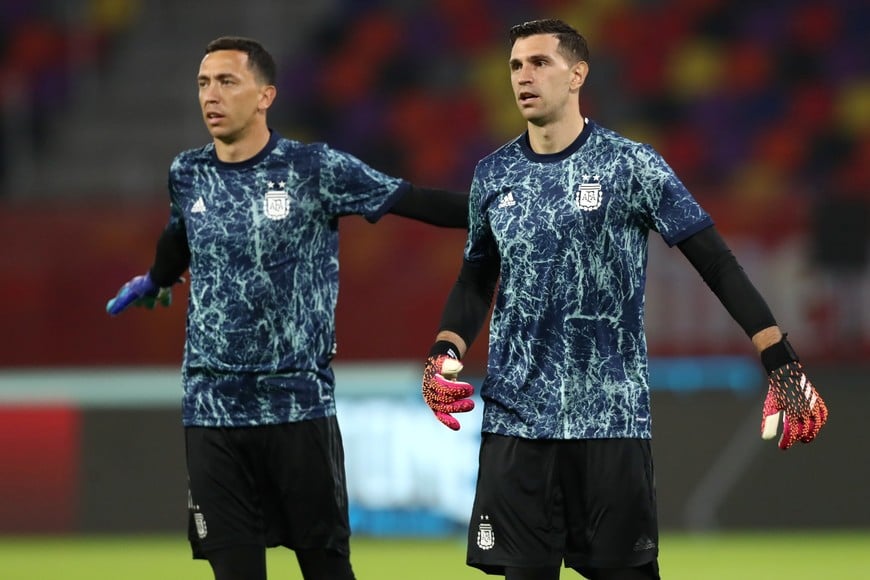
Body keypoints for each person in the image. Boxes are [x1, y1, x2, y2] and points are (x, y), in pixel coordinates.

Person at [420, 19, 828, 580]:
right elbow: (474, 279)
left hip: (609, 422)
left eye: (540, 62)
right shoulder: (494, 174)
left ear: (577, 75)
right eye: (516, 65)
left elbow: (716, 263)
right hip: (516, 425)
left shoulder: (630, 165)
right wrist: (446, 350)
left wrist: (777, 355)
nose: (523, 76)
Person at [106, 36, 467, 580]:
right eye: (204, 83)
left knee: (325, 569)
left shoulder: (312, 168)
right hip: (212, 409)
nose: (211, 94)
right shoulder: (188, 172)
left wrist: (501, 215)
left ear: (265, 95)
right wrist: (157, 278)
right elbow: (178, 234)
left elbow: (413, 199)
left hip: (296, 406)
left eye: (227, 81)